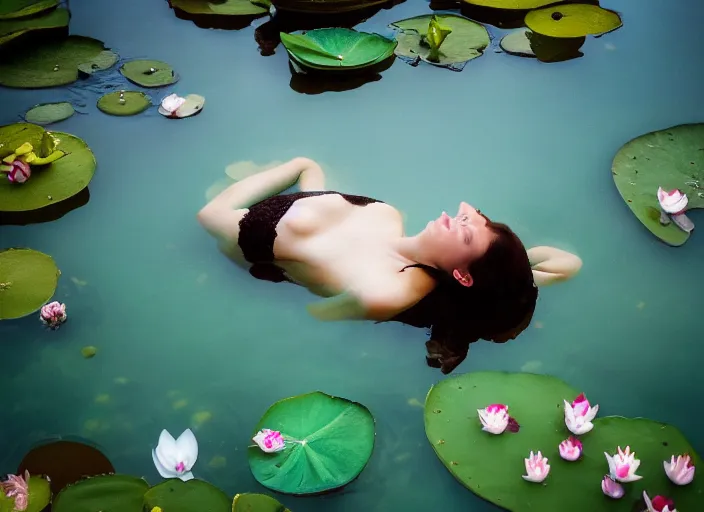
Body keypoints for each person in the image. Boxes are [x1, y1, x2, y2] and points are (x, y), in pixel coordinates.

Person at [197, 157, 582, 373]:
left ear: (462, 275)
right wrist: (515, 270)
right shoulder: (392, 224)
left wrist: (296, 274)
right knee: (307, 166)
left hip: (251, 238)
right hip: (308, 205)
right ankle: (303, 191)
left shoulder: (394, 288)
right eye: (473, 216)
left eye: (465, 231)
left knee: (295, 167)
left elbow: (209, 215)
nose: (457, 213)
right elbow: (568, 263)